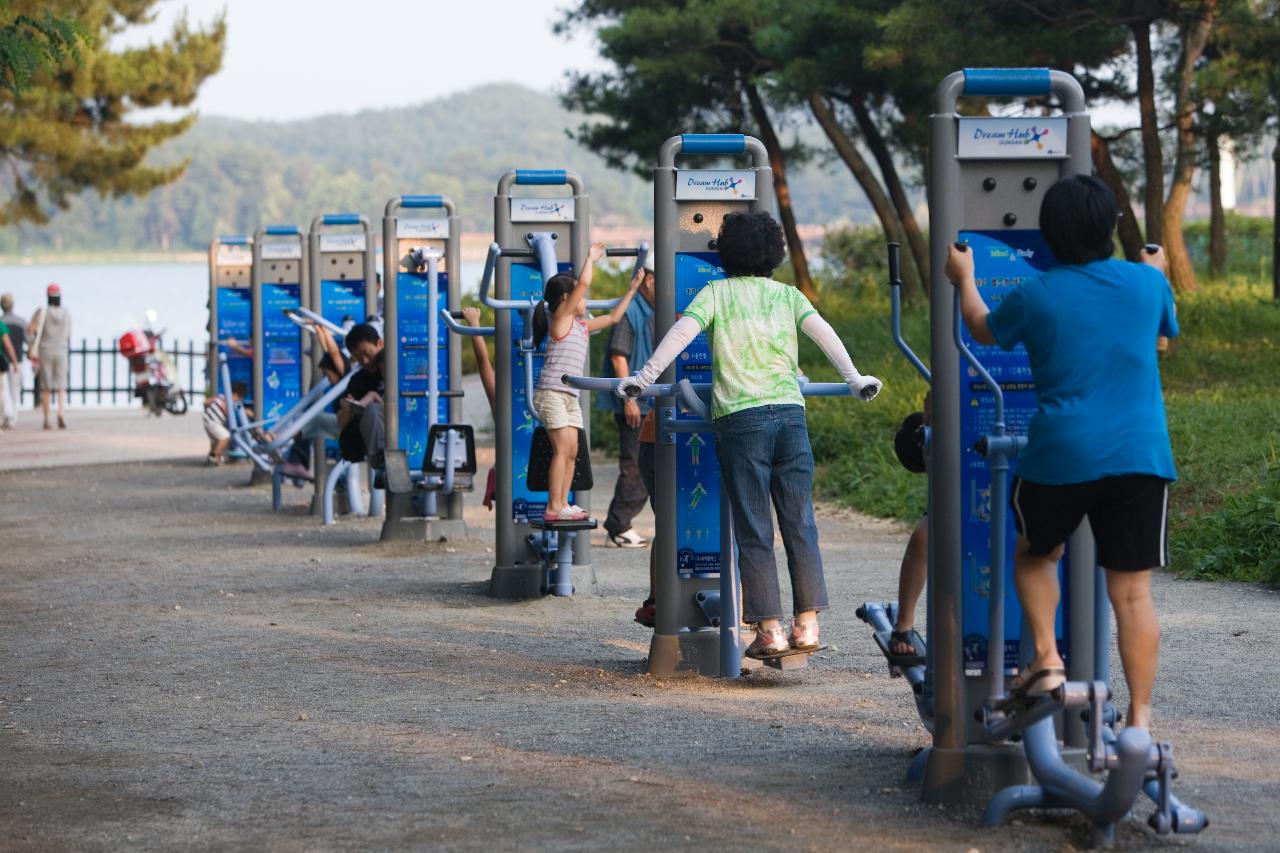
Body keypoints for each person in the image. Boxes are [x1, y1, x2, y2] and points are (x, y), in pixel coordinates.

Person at [948, 174, 1177, 731]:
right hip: (1139, 455)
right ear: (1110, 228)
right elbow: (1161, 339)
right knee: (1132, 593)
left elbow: (982, 329)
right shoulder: (1147, 285)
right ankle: (1140, 722)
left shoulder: (1038, 292)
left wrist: (965, 277)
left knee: (1036, 553)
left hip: (1062, 453)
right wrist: (1158, 272)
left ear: (1050, 234)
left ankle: (1047, 659)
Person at [618, 212, 883, 659]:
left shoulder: (716, 293)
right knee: (800, 524)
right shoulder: (787, 295)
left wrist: (642, 378)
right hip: (790, 417)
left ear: (724, 256)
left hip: (742, 422)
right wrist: (854, 378)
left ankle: (770, 630)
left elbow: (681, 333)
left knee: (755, 530)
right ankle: (808, 625)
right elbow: (823, 334)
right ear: (776, 256)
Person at [532, 240, 641, 522]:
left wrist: (631, 289)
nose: (586, 300)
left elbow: (615, 317)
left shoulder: (581, 326)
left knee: (572, 450)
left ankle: (563, 503)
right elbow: (581, 283)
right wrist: (590, 258)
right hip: (552, 394)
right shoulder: (560, 319)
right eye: (581, 297)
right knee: (562, 449)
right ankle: (554, 506)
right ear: (566, 299)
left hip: (569, 397)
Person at [597, 253, 656, 548]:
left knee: (646, 463)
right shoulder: (633, 310)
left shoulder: (651, 308)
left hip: (649, 402)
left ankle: (620, 523)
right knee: (636, 465)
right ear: (648, 280)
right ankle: (619, 526)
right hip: (636, 404)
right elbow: (619, 356)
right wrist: (629, 400)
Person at [461, 307, 499, 511]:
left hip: (509, 471)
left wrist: (474, 322)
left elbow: (483, 362)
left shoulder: (502, 403)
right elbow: (484, 363)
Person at [337, 322, 387, 469]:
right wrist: (350, 409)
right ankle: (381, 460)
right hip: (374, 437)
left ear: (380, 343)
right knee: (371, 410)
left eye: (367, 353)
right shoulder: (358, 381)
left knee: (372, 409)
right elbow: (340, 422)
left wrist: (372, 397)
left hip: (405, 426)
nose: (365, 361)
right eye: (358, 358)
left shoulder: (397, 365)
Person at [27, 283, 71, 430]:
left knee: (46, 387)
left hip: (45, 351)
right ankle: (61, 412)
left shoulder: (42, 312)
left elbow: (31, 329)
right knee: (61, 386)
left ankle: (46, 418)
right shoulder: (66, 313)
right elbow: (68, 335)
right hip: (61, 351)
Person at [204, 381, 248, 465]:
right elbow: (226, 410)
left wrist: (209, 410)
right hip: (213, 422)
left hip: (207, 420)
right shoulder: (228, 400)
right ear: (236, 394)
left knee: (216, 441)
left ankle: (216, 458)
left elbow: (206, 402)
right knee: (225, 436)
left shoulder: (220, 396)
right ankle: (213, 456)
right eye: (240, 398)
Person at [1, 294, 26, 429]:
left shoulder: (1, 321)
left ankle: (4, 417)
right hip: (16, 361)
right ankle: (12, 417)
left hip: (2, 362)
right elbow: (27, 340)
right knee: (14, 391)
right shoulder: (21, 322)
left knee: (3, 391)